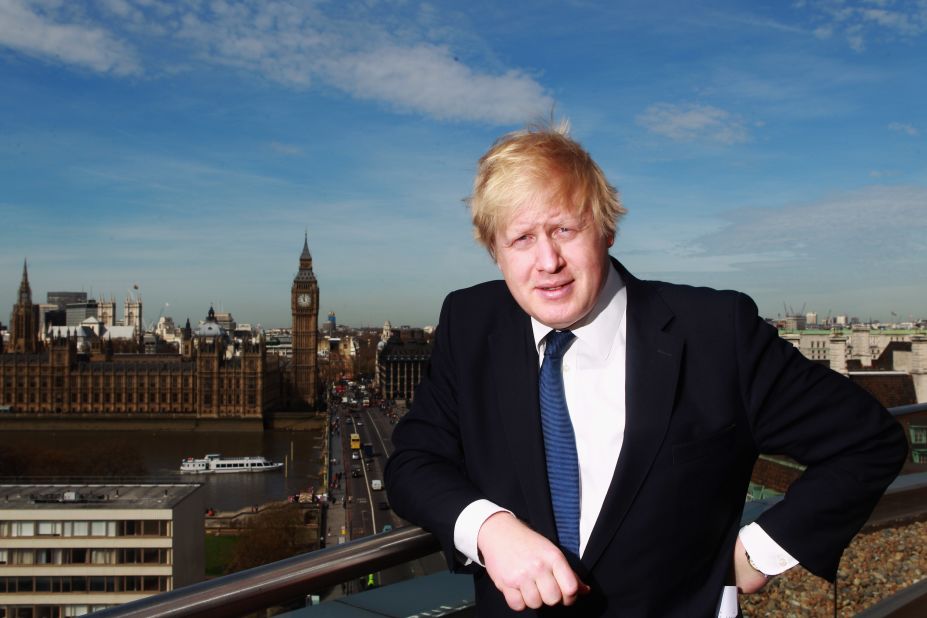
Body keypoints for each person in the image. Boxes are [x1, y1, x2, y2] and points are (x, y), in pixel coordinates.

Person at [384, 122, 908, 616]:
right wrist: (488, 528)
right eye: (521, 239)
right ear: (495, 252)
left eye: (565, 229)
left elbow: (866, 442)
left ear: (606, 229)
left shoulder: (715, 332)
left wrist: (762, 550)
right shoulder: (471, 322)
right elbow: (413, 462)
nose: (547, 261)